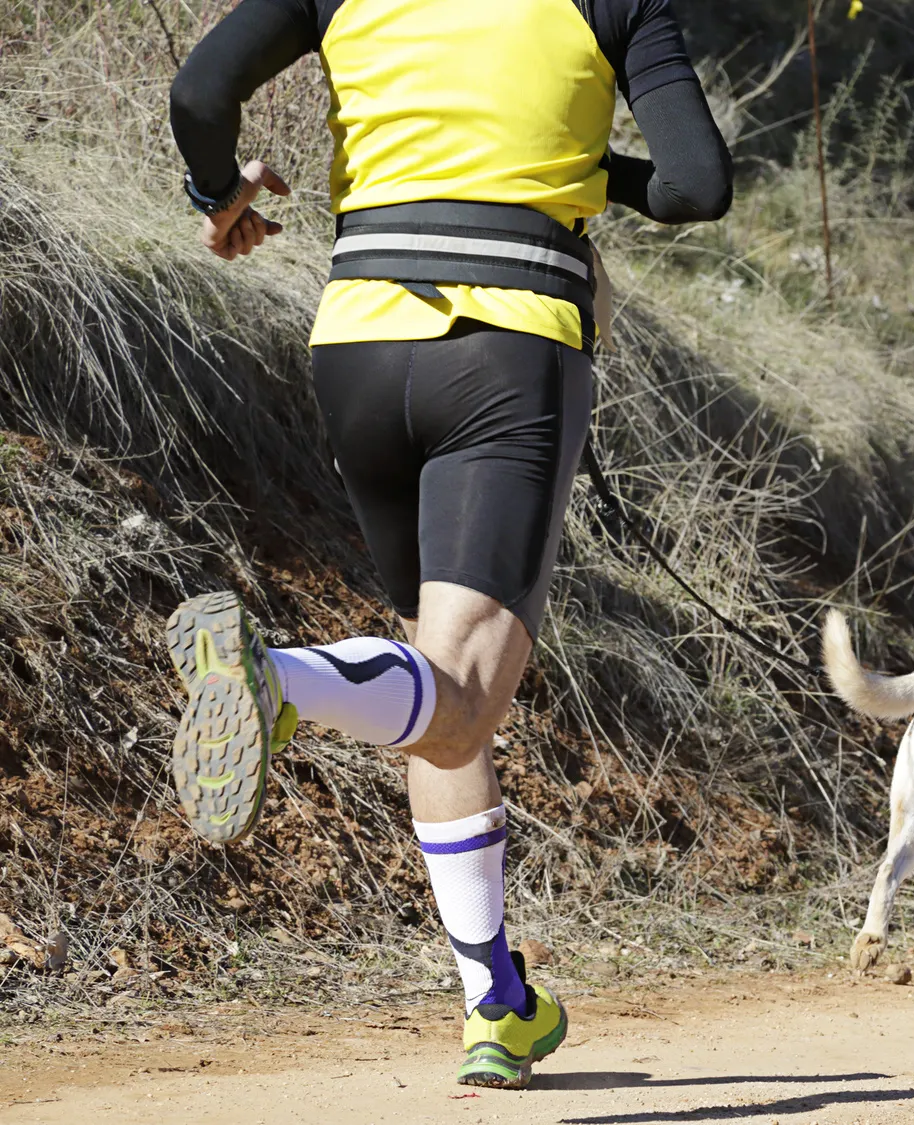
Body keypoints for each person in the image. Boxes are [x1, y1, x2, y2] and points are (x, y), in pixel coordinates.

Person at [165, 0, 731, 1090]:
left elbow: (199, 93)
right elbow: (696, 186)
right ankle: (274, 679)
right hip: (507, 345)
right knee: (465, 692)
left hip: (360, 342)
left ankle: (496, 1006)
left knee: (435, 686)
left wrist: (218, 194)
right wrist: (579, 168)